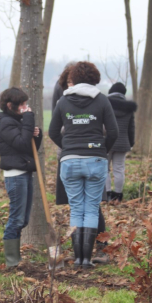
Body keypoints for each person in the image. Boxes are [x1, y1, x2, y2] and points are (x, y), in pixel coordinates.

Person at [49, 61, 118, 269]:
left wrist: (69, 148)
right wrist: (100, 150)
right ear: (95, 79)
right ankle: (86, 260)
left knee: (76, 208)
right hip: (96, 159)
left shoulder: (62, 101)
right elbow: (114, 132)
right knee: (91, 208)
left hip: (69, 162)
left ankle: (77, 259)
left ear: (73, 79)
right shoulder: (102, 101)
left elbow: (52, 132)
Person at [0, 87, 42, 268]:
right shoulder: (4, 123)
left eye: (25, 104)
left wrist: (37, 134)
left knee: (23, 219)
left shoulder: (15, 121)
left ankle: (16, 257)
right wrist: (28, 120)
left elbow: (29, 147)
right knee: (17, 219)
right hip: (15, 175)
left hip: (24, 171)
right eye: (22, 104)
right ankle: (12, 261)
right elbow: (20, 143)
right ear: (10, 105)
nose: (25, 107)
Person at [106, 82, 137, 202]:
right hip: (123, 143)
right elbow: (131, 128)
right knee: (119, 169)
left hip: (107, 142)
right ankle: (118, 195)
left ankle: (107, 194)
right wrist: (131, 142)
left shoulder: (104, 104)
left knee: (104, 169)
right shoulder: (129, 108)